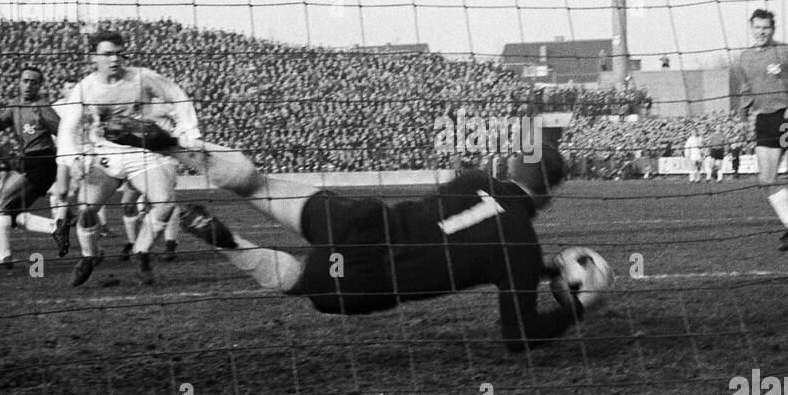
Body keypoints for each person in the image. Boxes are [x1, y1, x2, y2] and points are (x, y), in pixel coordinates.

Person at [178, 146, 589, 353]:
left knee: (259, 185)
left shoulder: (473, 177)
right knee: (295, 279)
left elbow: (465, 235)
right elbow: (518, 337)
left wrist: (545, 267)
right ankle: (228, 241)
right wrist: (576, 309)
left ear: (511, 167)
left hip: (362, 220)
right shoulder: (520, 245)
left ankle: (175, 149)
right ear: (551, 195)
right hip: (370, 274)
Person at [56, 29, 266, 286]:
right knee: (87, 209)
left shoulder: (141, 77)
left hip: (142, 153)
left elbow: (176, 93)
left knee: (165, 204)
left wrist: (190, 130)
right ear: (93, 57)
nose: (115, 59)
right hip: (107, 154)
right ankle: (90, 255)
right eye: (108, 54)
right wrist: (72, 159)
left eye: (119, 53)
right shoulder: (85, 89)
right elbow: (68, 127)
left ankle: (141, 252)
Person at [0, 66, 68, 268]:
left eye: (33, 81)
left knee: (0, 202)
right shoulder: (15, 106)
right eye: (25, 80)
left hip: (41, 162)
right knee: (10, 213)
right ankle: (55, 227)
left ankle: (2, 257)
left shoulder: (42, 107)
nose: (28, 84)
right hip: (29, 161)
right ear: (19, 82)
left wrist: (68, 160)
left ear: (40, 85)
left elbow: (65, 132)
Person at [736, 9, 788, 251]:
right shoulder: (745, 58)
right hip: (764, 120)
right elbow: (746, 87)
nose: (761, 32)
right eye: (757, 27)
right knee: (766, 179)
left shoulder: (786, 52)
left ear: (773, 29)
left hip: (786, 119)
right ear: (751, 27)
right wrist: (742, 109)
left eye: (766, 28)